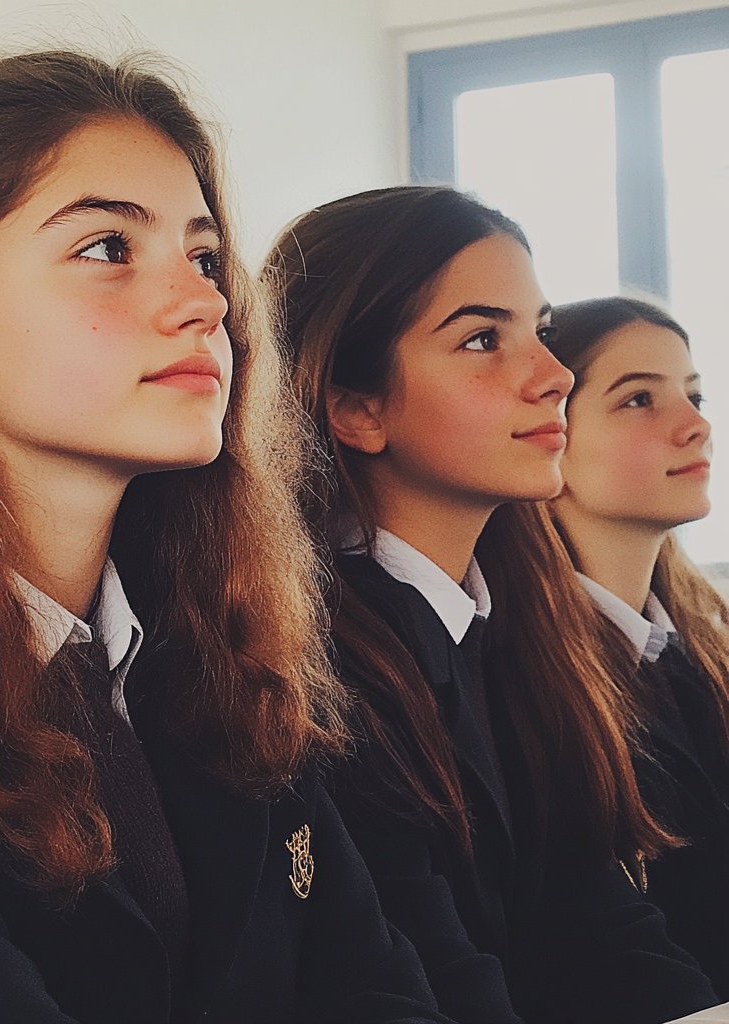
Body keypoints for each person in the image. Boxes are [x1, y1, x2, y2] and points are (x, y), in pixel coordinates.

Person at [0, 52, 452, 1024]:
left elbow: (379, 987)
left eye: (203, 257)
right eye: (106, 248)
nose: (206, 303)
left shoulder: (220, 653)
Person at [263, 185, 718, 1024]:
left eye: (539, 332)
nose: (554, 377)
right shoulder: (314, 663)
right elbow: (433, 975)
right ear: (356, 407)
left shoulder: (511, 626)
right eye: (483, 339)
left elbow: (600, 924)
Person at [547, 295, 729, 998]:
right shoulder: (525, 678)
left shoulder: (696, 654)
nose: (697, 426)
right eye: (639, 400)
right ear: (546, 432)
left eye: (694, 396)